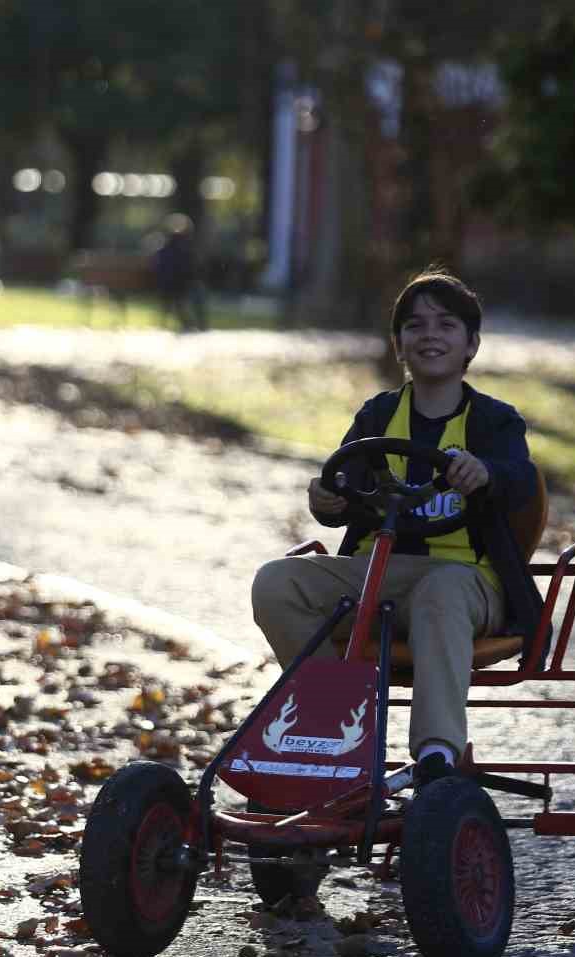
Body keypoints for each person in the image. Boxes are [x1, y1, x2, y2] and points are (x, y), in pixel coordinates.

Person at [250, 271, 545, 791]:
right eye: (415, 325)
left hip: (468, 580)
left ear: (471, 343)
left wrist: (489, 473)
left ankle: (436, 754)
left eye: (446, 324)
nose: (430, 335)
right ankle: (329, 723)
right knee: (276, 581)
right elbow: (340, 488)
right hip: (374, 574)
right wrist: (326, 499)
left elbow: (522, 479)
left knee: (442, 588)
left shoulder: (496, 422)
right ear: (399, 344)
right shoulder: (379, 414)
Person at [154, 213, 208, 332]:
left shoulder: (165, 247)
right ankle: (198, 325)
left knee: (183, 296)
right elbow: (193, 268)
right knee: (195, 292)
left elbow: (160, 267)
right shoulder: (187, 247)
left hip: (171, 285)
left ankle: (189, 324)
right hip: (181, 284)